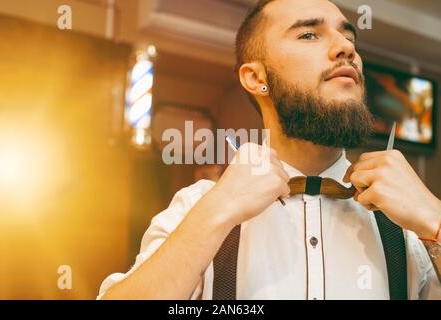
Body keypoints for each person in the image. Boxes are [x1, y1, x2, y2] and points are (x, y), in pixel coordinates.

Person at [99, 0, 441, 299]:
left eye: (348, 37)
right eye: (309, 34)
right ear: (255, 77)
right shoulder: (198, 207)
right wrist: (217, 211)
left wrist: (435, 221)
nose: (346, 48)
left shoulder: (409, 226)